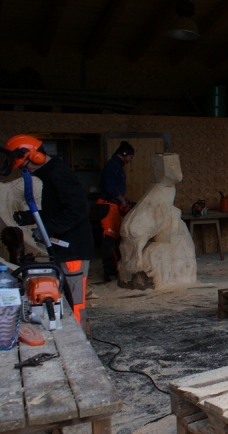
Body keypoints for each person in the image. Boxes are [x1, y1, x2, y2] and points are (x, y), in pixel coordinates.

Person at [1, 134, 94, 330]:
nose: (26, 170)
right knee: (64, 297)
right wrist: (29, 218)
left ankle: (78, 339)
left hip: (73, 250)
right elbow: (57, 211)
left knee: (74, 300)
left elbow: (78, 209)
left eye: (25, 166)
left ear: (36, 157)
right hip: (64, 248)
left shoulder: (59, 175)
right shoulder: (51, 175)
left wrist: (48, 229)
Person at [97, 141, 134, 283]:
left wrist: (124, 197)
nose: (130, 160)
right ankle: (109, 273)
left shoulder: (117, 165)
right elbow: (110, 187)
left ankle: (115, 269)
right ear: (125, 154)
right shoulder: (112, 166)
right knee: (108, 240)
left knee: (114, 238)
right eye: (130, 157)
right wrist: (121, 199)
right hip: (107, 206)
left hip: (113, 206)